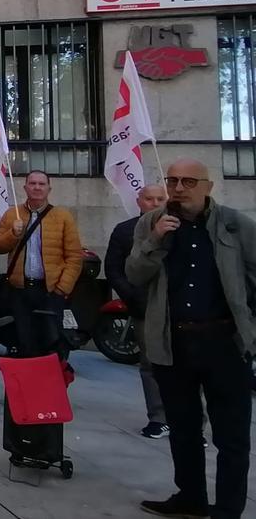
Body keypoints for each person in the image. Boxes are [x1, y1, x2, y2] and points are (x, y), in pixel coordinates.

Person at [127, 159, 256, 519]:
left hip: (224, 343)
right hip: (174, 343)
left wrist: (250, 332)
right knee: (183, 429)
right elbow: (134, 274)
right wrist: (155, 241)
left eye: (188, 181)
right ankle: (191, 497)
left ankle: (229, 509)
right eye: (172, 181)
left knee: (231, 436)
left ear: (207, 186)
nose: (179, 188)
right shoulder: (151, 224)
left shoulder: (235, 224)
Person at [0, 170, 83, 359]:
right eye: (32, 183)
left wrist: (62, 288)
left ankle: (48, 386)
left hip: (50, 291)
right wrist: (13, 234)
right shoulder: (12, 214)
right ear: (25, 187)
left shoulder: (62, 217)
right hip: (20, 290)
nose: (37, 187)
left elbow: (74, 256)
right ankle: (23, 386)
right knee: (22, 343)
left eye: (41, 184)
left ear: (49, 188)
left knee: (51, 343)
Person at [105, 184, 170, 440]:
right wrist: (131, 295)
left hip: (181, 310)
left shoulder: (184, 229)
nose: (154, 203)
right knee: (151, 364)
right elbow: (113, 269)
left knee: (189, 366)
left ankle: (191, 422)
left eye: (160, 199)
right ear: (139, 201)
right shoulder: (125, 231)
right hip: (145, 308)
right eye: (149, 199)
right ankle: (158, 418)